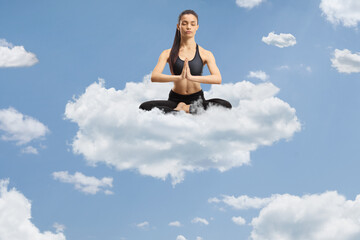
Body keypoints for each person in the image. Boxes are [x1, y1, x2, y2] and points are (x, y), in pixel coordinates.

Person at [139, 9, 232, 114]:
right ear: (178, 26)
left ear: (197, 27)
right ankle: (185, 110)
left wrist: (191, 77)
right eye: (184, 23)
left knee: (225, 105)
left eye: (192, 24)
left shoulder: (206, 53)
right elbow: (154, 76)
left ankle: (184, 109)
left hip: (197, 99)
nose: (188, 27)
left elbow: (217, 78)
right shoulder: (167, 53)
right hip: (175, 99)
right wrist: (179, 77)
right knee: (144, 107)